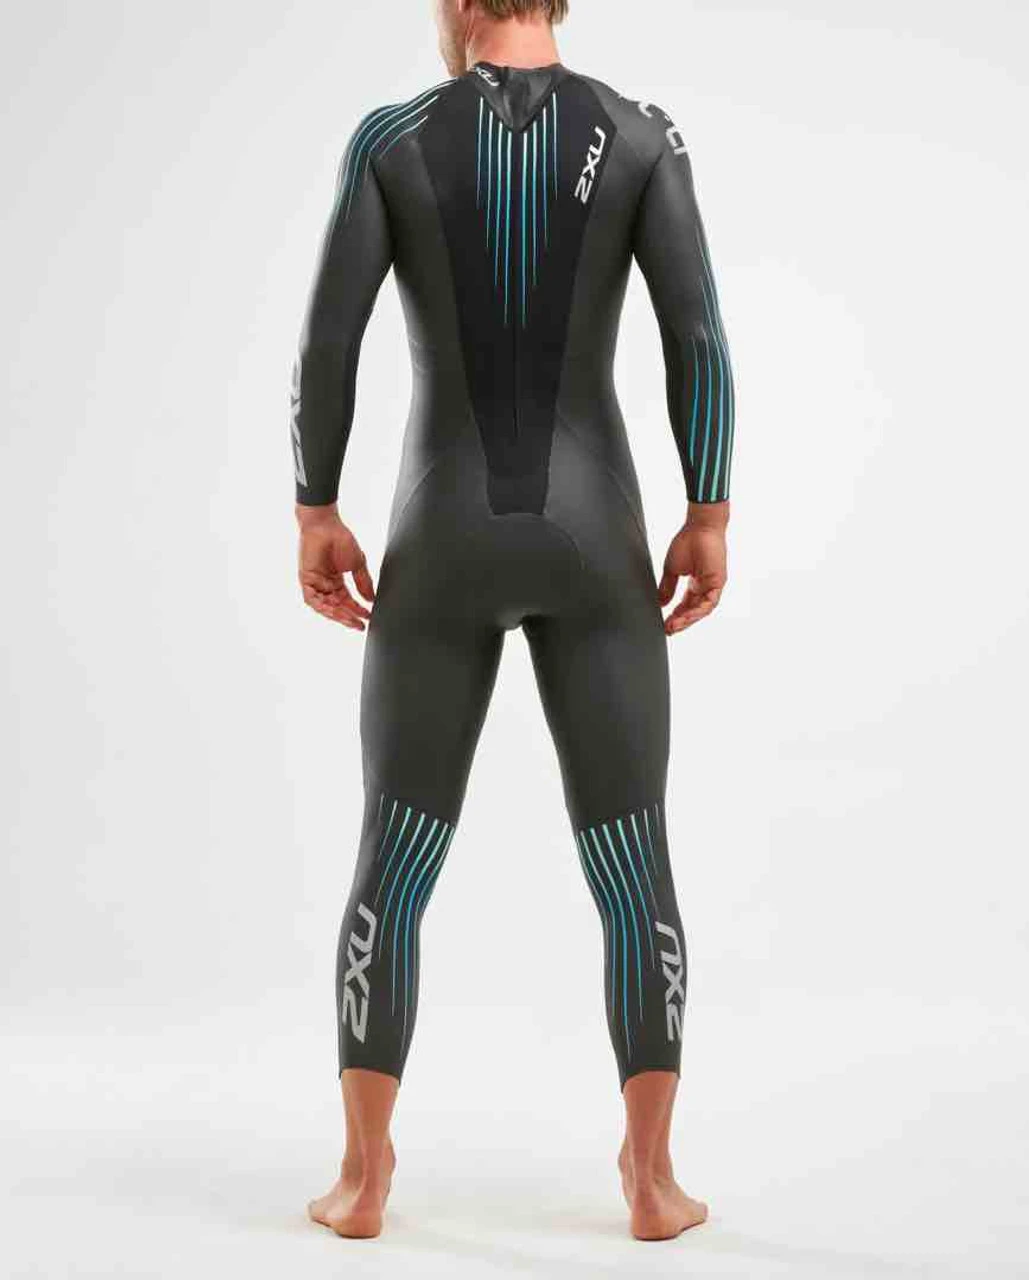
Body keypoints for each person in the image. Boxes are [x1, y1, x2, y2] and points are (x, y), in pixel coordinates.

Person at [290, 0, 735, 1242]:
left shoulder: (390, 141)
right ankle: (651, 1177)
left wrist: (315, 507)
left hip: (439, 541)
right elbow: (697, 335)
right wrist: (708, 511)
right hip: (598, 542)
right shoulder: (642, 138)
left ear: (458, 3)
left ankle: (363, 1175)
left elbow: (327, 341)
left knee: (395, 855)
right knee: (632, 858)